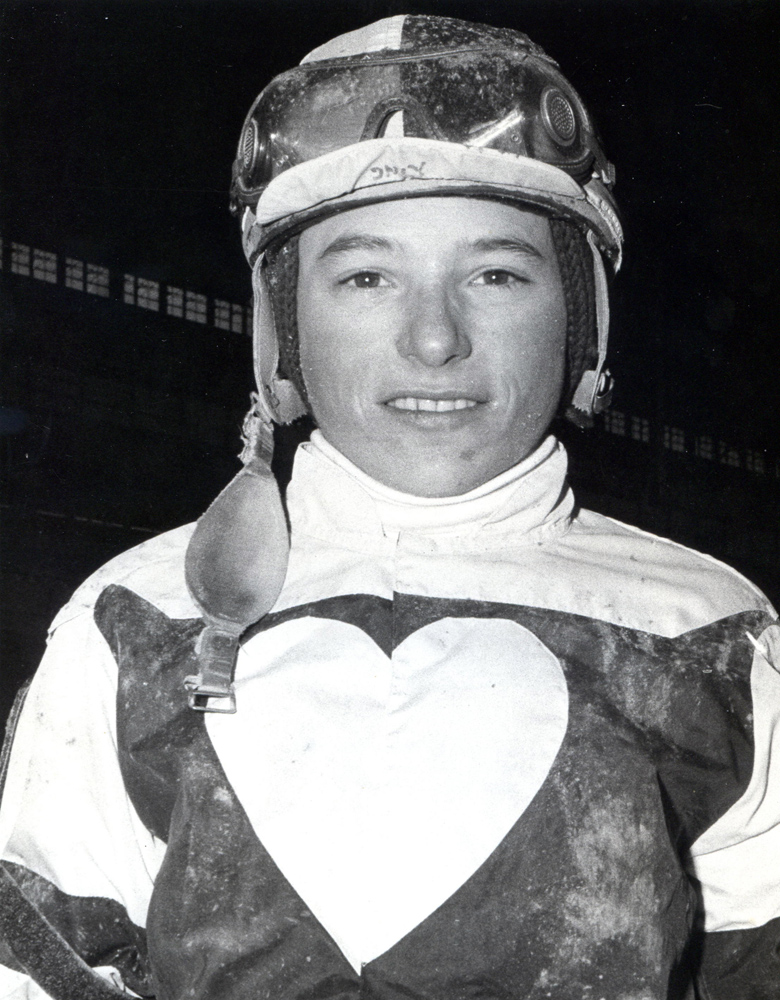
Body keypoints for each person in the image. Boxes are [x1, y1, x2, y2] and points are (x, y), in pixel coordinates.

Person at [0, 14, 778, 1000]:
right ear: (283, 330)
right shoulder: (135, 620)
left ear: (581, 318)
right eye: (367, 276)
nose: (435, 338)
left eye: (496, 274)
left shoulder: (716, 632)